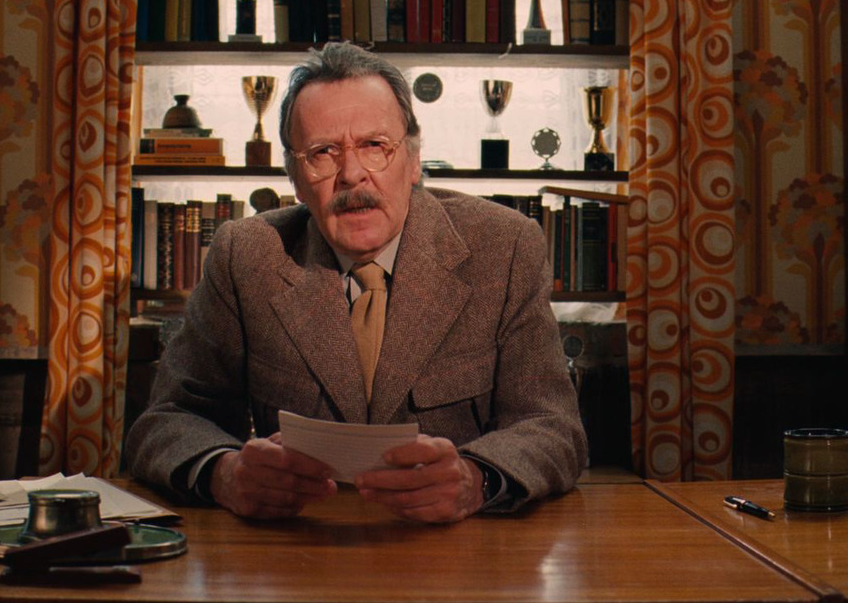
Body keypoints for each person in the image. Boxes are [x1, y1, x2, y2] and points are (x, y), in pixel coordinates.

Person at [124, 43, 585, 523]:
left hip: (456, 551)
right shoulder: (247, 255)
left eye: (374, 146)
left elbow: (552, 426)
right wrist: (225, 472)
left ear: (413, 159)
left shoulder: (503, 247)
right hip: (295, 552)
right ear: (296, 179)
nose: (351, 174)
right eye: (323, 152)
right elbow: (167, 420)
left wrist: (476, 480)